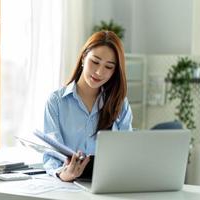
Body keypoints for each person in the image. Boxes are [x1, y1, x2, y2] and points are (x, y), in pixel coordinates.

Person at [43, 30, 133, 182]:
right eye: (95, 62)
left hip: (110, 184)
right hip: (68, 186)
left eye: (109, 67)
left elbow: (128, 154)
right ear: (84, 57)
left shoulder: (120, 104)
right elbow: (52, 154)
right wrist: (64, 174)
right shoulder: (56, 102)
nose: (99, 72)